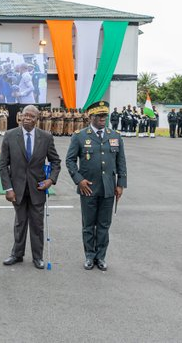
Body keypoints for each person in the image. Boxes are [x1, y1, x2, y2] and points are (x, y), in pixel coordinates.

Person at [65, 100, 127, 272]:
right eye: (99, 116)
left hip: (108, 188)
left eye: (104, 116)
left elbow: (121, 162)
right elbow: (69, 160)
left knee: (104, 225)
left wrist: (120, 184)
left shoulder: (115, 136)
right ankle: (89, 256)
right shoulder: (79, 136)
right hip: (88, 187)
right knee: (88, 225)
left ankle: (101, 257)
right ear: (90, 116)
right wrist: (79, 180)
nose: (102, 119)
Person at [0, 105, 61, 269]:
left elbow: (56, 162)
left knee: (37, 224)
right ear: (20, 116)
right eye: (25, 115)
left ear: (37, 119)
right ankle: (17, 254)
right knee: (20, 223)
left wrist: (51, 180)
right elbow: (3, 165)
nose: (27, 118)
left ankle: (38, 257)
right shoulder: (10, 135)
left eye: (32, 116)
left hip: (38, 188)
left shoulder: (46, 137)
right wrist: (8, 188)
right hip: (17, 188)